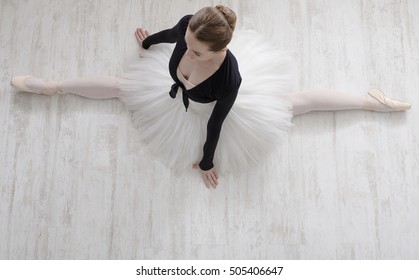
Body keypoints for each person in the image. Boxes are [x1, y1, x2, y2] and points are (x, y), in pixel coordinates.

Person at [10, 5, 411, 189]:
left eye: (196, 51)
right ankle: (53, 86)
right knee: (120, 86)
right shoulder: (188, 29)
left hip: (209, 108)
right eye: (189, 43)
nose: (186, 51)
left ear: (218, 51)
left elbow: (216, 123)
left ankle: (368, 101)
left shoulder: (229, 79)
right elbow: (173, 35)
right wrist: (150, 42)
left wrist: (206, 162)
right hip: (173, 94)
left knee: (297, 103)